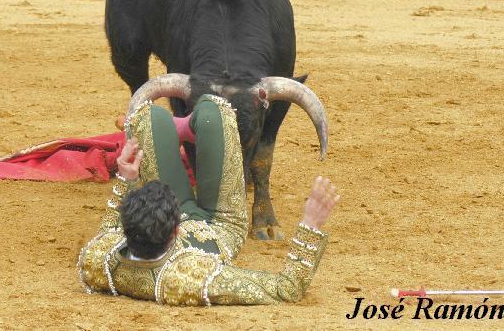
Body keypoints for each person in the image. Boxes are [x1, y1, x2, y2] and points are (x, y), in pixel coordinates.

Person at [78, 94, 340, 305]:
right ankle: (190, 126)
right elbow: (287, 288)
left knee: (147, 117)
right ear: (176, 230)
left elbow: (106, 233)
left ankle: (180, 127)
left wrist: (127, 178)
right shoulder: (189, 278)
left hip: (161, 231)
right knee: (215, 110)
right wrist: (310, 225)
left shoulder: (98, 259)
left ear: (126, 230)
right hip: (222, 224)